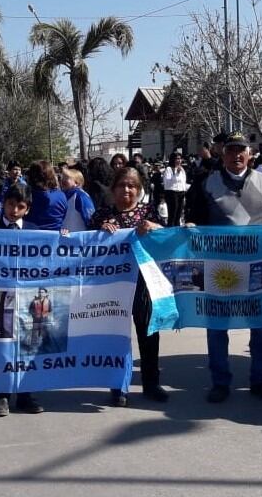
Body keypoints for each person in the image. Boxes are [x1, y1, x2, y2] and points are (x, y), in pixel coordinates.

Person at [186, 132, 262, 403]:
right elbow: (194, 219)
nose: (237, 155)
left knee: (261, 325)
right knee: (217, 325)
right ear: (222, 153)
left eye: (242, 150)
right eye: (231, 150)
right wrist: (190, 227)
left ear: (250, 154)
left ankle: (261, 380)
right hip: (219, 267)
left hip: (259, 268)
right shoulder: (205, 182)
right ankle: (220, 382)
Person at [89, 167, 167, 406]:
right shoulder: (102, 214)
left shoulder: (148, 211)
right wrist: (100, 233)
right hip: (113, 285)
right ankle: (117, 385)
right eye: (122, 184)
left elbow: (168, 234)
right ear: (113, 189)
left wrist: (154, 228)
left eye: (132, 185)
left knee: (148, 334)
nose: (127, 189)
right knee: (116, 337)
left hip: (143, 283)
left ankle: (151, 384)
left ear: (139, 189)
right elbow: (86, 245)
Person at [0, 183, 44, 416]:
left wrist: (63, 238)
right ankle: (2, 396)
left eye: (20, 206)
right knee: (2, 347)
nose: (14, 211)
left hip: (28, 299)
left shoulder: (35, 231)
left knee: (26, 346)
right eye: (11, 205)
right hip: (0, 298)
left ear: (27, 209)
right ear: (4, 204)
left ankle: (25, 395)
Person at [23, 160, 67, 231]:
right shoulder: (61, 195)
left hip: (30, 238)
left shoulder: (25, 195)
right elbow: (64, 216)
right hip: (55, 238)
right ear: (52, 175)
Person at [59, 168, 95, 232]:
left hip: (78, 238)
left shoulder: (81, 196)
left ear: (76, 182)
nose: (62, 180)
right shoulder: (62, 195)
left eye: (66, 178)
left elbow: (90, 220)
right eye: (63, 177)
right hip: (65, 238)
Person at [162, 153, 187, 226]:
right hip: (172, 193)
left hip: (181, 193)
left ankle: (177, 229)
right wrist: (176, 174)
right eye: (177, 158)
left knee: (179, 213)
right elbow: (167, 182)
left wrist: (185, 190)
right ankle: (171, 229)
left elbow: (183, 182)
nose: (178, 160)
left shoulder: (182, 169)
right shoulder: (169, 169)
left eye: (180, 158)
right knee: (173, 213)